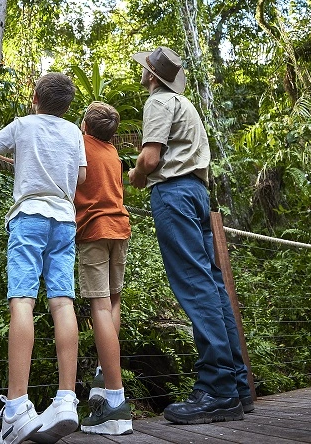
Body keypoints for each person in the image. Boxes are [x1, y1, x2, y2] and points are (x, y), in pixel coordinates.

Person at [127, 47, 254, 424]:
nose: (144, 74)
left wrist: (134, 177)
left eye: (145, 70)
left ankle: (216, 390)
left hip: (173, 195)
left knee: (195, 286)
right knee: (211, 287)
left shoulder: (159, 102)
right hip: (198, 194)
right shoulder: (186, 105)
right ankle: (238, 389)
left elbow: (150, 160)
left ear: (152, 75)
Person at [0, 73, 87, 444]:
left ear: (36, 97)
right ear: (67, 105)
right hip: (64, 221)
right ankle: (66, 400)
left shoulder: (22, 125)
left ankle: (17, 407)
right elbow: (82, 176)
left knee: (23, 300)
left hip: (29, 219)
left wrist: (21, 161)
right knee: (62, 303)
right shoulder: (74, 133)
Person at [73, 102, 133, 436]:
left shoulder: (80, 144)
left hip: (95, 231)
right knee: (113, 301)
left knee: (98, 304)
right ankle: (102, 369)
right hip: (119, 229)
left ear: (85, 125)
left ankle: (115, 402)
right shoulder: (114, 153)